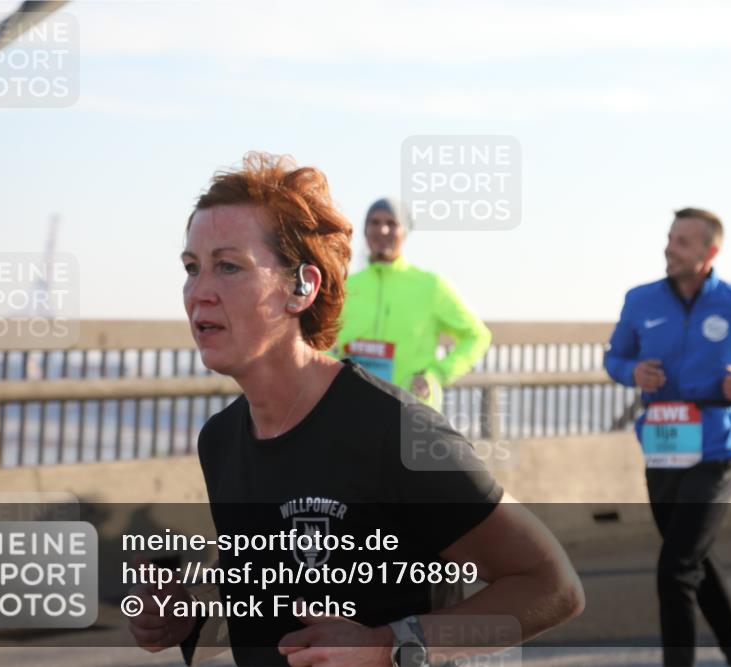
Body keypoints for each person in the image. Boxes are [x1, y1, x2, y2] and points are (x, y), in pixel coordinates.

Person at [128, 153, 584, 667]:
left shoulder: (396, 430)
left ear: (303, 287)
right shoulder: (219, 439)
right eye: (192, 268)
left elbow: (552, 587)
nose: (198, 294)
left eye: (229, 266)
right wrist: (189, 619)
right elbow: (275, 610)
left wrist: (390, 644)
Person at [605, 207, 731, 667]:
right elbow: (613, 359)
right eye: (670, 238)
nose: (669, 248)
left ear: (710, 252)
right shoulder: (640, 300)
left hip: (716, 451)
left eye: (682, 242)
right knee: (695, 562)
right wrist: (632, 371)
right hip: (662, 446)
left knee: (675, 569)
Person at [335, 198, 491, 410]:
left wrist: (437, 373)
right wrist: (332, 371)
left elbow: (477, 335)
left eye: (392, 223)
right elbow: (319, 339)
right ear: (364, 231)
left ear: (405, 231)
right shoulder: (345, 286)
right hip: (354, 406)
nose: (382, 230)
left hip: (410, 410)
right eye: (374, 222)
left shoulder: (431, 287)